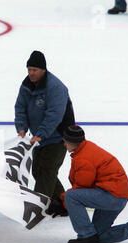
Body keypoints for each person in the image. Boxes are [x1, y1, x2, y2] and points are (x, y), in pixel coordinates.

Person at [49, 125, 128, 243]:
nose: (64, 144)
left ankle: (85, 235)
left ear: (73, 142)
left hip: (111, 196)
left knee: (71, 197)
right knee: (99, 235)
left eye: (65, 141)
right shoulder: (85, 149)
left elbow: (82, 186)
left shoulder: (83, 158)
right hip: (116, 195)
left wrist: (63, 202)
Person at [14, 50, 75, 204]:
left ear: (43, 70)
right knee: (38, 170)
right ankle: (64, 203)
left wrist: (41, 133)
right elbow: (20, 107)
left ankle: (38, 206)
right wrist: (21, 127)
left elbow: (54, 114)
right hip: (41, 138)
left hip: (59, 137)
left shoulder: (56, 87)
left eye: (34, 70)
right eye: (29, 70)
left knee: (47, 170)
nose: (31, 73)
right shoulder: (26, 85)